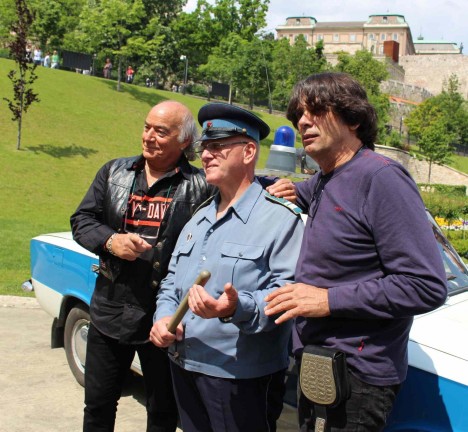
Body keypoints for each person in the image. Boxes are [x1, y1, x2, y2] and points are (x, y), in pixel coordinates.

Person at [264, 72, 448, 431]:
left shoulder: (381, 178)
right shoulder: (325, 178)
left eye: (316, 110)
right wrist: (285, 187)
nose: (303, 122)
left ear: (353, 118)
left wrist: (326, 300)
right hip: (318, 364)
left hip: (355, 379)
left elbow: (425, 285)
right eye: (298, 115)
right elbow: (316, 196)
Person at [150, 103, 305, 432]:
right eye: (204, 147)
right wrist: (162, 317)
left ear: (248, 151)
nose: (206, 155)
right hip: (184, 365)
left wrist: (236, 307)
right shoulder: (199, 218)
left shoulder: (280, 219)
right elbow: (171, 282)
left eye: (218, 146)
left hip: (240, 378)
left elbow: (288, 294)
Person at [70, 100, 216, 432]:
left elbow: (242, 186)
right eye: (147, 127)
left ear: (184, 140)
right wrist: (111, 241)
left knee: (163, 412)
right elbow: (82, 220)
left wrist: (278, 186)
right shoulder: (114, 172)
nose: (149, 136)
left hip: (163, 317)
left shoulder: (203, 186)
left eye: (160, 131)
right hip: (109, 309)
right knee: (98, 406)